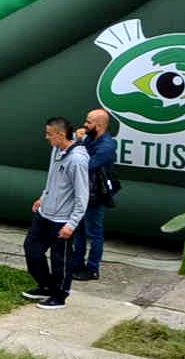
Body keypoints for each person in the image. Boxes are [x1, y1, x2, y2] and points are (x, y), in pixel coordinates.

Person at [20, 116, 88, 308]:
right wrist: (43, 197)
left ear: (60, 134)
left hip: (63, 219)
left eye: (49, 134)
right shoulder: (56, 149)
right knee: (32, 249)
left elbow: (82, 196)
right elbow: (53, 180)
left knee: (60, 260)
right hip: (44, 213)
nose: (46, 137)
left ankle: (60, 296)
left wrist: (71, 224)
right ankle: (46, 286)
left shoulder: (77, 161)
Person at [69, 107, 118, 283]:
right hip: (82, 191)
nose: (85, 124)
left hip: (95, 194)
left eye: (89, 122)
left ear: (99, 125)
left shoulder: (107, 145)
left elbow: (87, 165)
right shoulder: (89, 138)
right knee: (79, 230)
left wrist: (80, 142)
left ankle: (92, 268)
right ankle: (77, 264)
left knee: (94, 233)